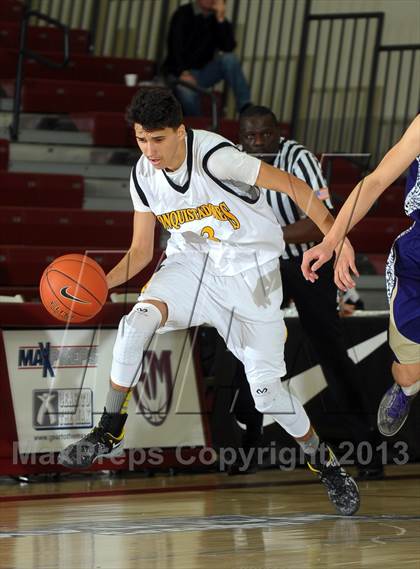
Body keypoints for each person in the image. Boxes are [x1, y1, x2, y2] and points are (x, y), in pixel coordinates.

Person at [59, 88, 360, 516]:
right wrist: (99, 286)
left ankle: (326, 464)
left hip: (249, 272)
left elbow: (292, 185)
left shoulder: (217, 157)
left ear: (181, 132)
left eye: (158, 139)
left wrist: (337, 237)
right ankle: (108, 429)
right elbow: (142, 252)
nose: (150, 150)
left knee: (267, 394)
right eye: (142, 139)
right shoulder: (143, 174)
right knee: (137, 322)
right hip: (193, 264)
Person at [227, 105, 383, 479]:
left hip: (308, 260)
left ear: (278, 133)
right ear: (241, 136)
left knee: (328, 348)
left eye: (266, 134)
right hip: (262, 267)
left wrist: (266, 237)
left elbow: (321, 222)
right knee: (247, 351)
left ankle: (368, 448)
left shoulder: (297, 158)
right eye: (251, 136)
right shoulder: (230, 161)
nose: (259, 142)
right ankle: (246, 446)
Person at [301, 114, 420, 438]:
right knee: (409, 374)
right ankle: (407, 389)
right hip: (417, 262)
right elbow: (376, 181)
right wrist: (331, 240)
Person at [163, 0, 251, 116]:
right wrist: (183, 73)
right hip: (178, 72)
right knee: (187, 93)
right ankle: (198, 127)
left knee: (229, 59)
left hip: (202, 73)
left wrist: (220, 18)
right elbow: (174, 46)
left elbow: (228, 47)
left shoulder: (215, 18)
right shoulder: (183, 13)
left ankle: (246, 108)